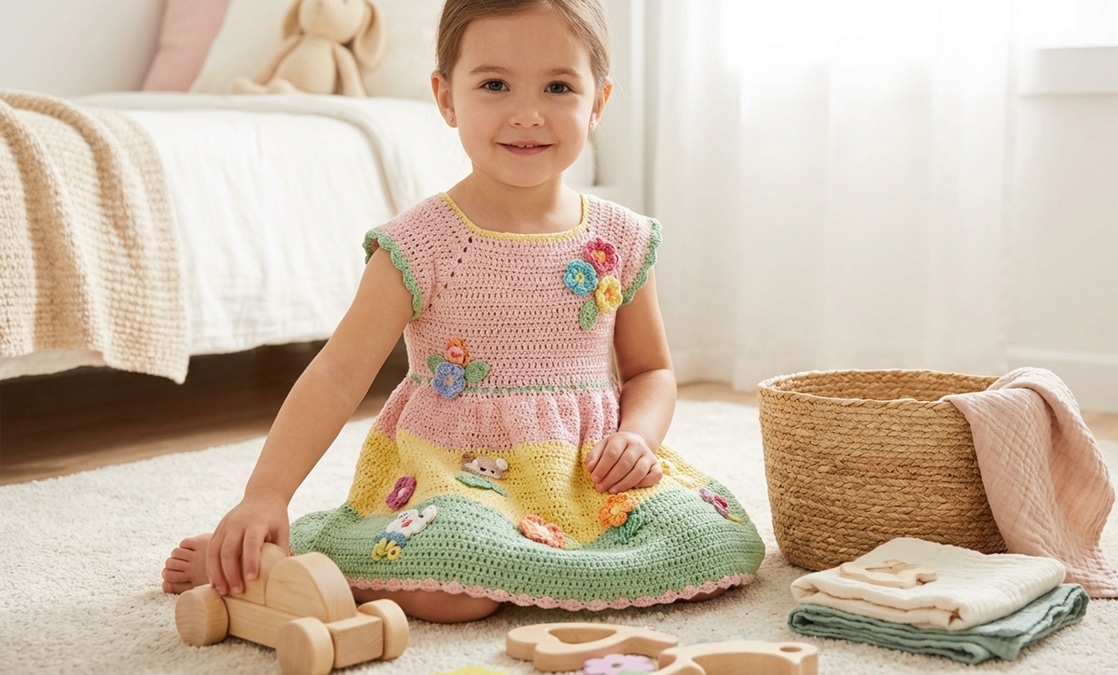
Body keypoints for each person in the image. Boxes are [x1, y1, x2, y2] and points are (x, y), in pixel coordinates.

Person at [161, 0, 765, 623]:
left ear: (598, 102)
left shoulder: (621, 239)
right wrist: (266, 494)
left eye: (558, 87)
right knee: (458, 585)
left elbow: (650, 372)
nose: (527, 113)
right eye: (495, 85)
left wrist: (637, 438)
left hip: (585, 472)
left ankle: (537, 564)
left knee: (710, 545)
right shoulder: (420, 244)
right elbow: (338, 374)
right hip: (459, 470)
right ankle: (270, 563)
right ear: (446, 98)